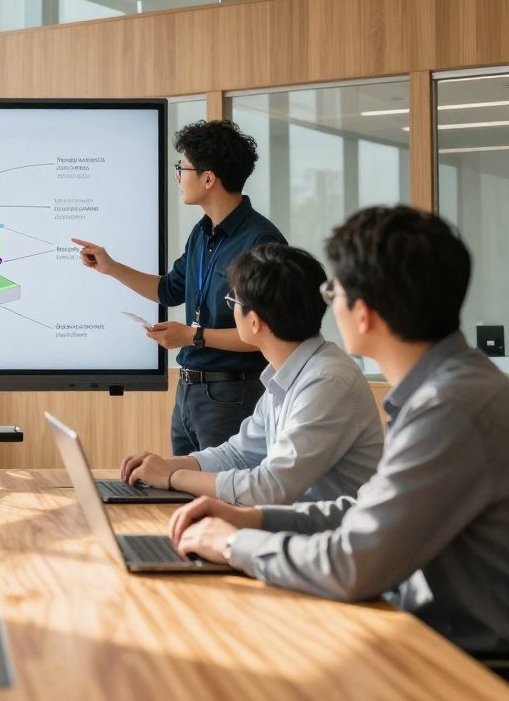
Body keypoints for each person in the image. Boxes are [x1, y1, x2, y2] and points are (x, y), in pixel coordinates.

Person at [169, 206, 509, 654]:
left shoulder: (449, 406)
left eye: (334, 290)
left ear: (363, 312)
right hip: (421, 633)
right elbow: (367, 509)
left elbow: (353, 563)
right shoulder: (448, 387)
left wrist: (234, 543)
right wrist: (255, 519)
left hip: (460, 662)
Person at [75, 119, 286, 454]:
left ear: (208, 178)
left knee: (217, 499)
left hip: (233, 395)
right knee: (182, 493)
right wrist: (111, 267)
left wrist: (191, 337)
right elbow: (169, 290)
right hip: (189, 392)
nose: (177, 177)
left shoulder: (260, 242)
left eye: (182, 167)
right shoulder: (203, 233)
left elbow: (269, 333)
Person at [119, 243, 383, 505]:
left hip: (330, 540)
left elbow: (271, 487)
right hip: (296, 531)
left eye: (232, 300)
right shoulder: (288, 372)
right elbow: (239, 454)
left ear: (254, 321)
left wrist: (172, 477)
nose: (231, 309)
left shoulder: (327, 382)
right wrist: (168, 465)